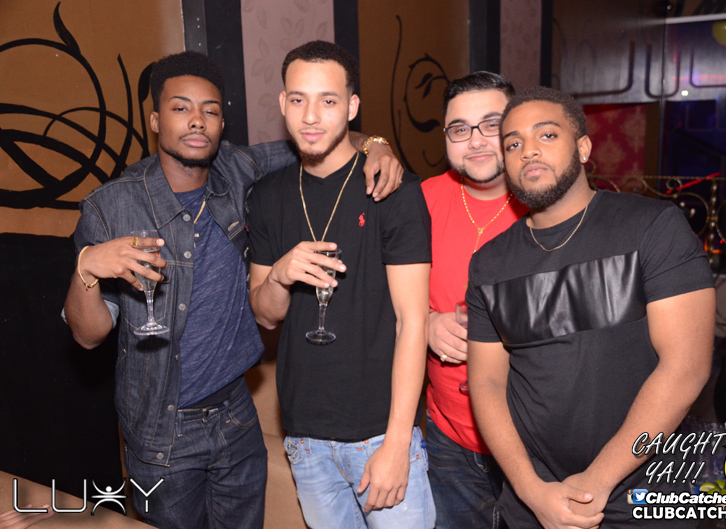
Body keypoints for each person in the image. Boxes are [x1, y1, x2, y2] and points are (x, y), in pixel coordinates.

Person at [62, 51, 401, 529]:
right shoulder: (111, 207)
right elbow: (88, 336)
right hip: (161, 431)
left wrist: (379, 146)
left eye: (211, 110)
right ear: (156, 121)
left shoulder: (237, 168)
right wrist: (87, 268)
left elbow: (325, 136)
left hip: (236, 414)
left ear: (222, 123)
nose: (197, 121)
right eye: (180, 108)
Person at [467, 86, 716, 529]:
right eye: (513, 143)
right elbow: (486, 383)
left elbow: (686, 368)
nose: (528, 151)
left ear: (583, 148)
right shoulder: (489, 262)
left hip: (645, 489)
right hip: (534, 494)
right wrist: (530, 489)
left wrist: (595, 483)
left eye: (547, 135)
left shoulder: (652, 227)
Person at [247, 40, 434, 529]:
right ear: (282, 102)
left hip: (380, 434)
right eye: (298, 99)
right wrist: (280, 273)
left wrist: (397, 444)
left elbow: (413, 322)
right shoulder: (266, 196)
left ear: (352, 107)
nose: (311, 116)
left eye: (328, 100)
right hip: (305, 437)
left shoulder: (393, 190)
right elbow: (265, 314)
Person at [422, 71, 526, 529]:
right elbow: (379, 297)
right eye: (460, 128)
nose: (477, 140)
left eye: (492, 124)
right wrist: (426, 322)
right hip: (448, 439)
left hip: (533, 439)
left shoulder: (548, 204)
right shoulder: (419, 201)